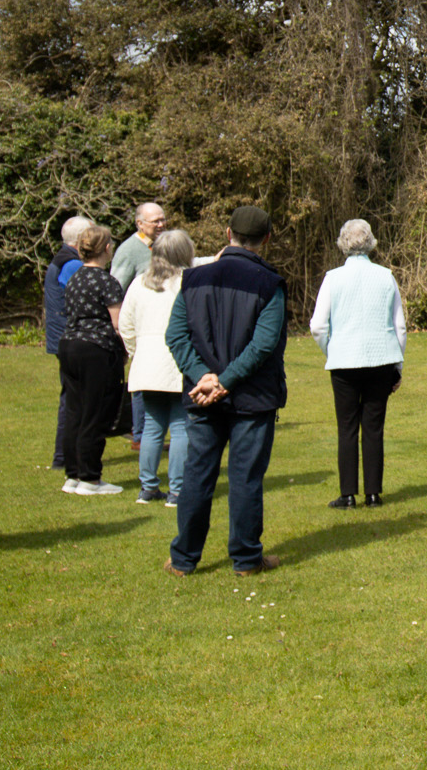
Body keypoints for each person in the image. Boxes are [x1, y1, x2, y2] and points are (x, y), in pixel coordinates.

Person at [164, 205, 290, 577]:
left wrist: (205, 377)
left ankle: (185, 559)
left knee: (198, 475)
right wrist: (221, 380)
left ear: (227, 233)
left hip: (205, 395)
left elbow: (175, 336)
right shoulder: (270, 284)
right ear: (266, 238)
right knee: (245, 478)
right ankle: (247, 560)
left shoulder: (194, 279)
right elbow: (263, 345)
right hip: (251, 397)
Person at [310, 219, 406, 509]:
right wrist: (397, 366)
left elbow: (317, 326)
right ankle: (374, 493)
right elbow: (399, 326)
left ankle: (348, 494)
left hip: (344, 363)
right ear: (371, 242)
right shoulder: (386, 275)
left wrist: (332, 350)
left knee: (347, 427)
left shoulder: (333, 278)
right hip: (381, 360)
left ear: (342, 243)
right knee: (374, 428)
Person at [120, 228, 196, 506]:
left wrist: (137, 352)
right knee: (180, 426)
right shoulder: (187, 283)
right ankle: (176, 490)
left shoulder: (139, 283)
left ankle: (148, 487)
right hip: (177, 362)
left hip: (147, 363)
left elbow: (125, 325)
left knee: (152, 426)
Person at [58, 225, 128, 496]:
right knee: (95, 412)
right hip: (95, 350)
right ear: (107, 249)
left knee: (75, 410)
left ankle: (73, 474)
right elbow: (118, 323)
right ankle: (90, 477)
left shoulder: (75, 277)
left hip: (70, 346)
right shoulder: (107, 281)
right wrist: (126, 351)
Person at [112, 203, 168, 451]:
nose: (160, 224)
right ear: (140, 224)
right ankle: (139, 433)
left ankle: (152, 432)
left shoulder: (160, 246)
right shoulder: (129, 250)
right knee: (141, 380)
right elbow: (115, 288)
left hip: (161, 323)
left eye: (163, 219)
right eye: (155, 221)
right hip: (139, 327)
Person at [42, 214, 91, 470]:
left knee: (71, 397)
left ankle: (67, 455)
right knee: (74, 399)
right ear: (83, 239)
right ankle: (65, 456)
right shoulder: (72, 265)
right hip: (70, 338)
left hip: (61, 336)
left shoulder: (62, 260)